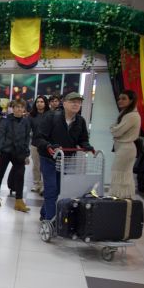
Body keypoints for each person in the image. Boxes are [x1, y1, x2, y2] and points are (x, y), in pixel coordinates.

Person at [35, 92, 93, 221]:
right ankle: (50, 220)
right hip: (48, 158)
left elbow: (83, 139)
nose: (76, 104)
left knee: (59, 189)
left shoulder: (80, 121)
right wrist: (49, 145)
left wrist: (86, 145)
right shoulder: (51, 117)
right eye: (73, 101)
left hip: (66, 160)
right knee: (51, 189)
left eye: (78, 102)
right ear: (64, 103)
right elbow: (38, 138)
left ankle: (44, 213)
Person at [0, 99, 32, 212]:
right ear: (13, 108)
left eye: (21, 107)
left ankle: (19, 201)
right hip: (5, 152)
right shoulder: (5, 121)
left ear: (24, 109)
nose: (19, 109)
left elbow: (26, 139)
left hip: (19, 153)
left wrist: (26, 154)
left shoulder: (26, 122)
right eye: (17, 106)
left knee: (20, 175)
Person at [109, 90, 141, 198]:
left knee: (119, 174)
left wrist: (114, 130)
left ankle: (119, 199)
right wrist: (115, 130)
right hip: (124, 148)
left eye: (124, 98)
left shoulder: (131, 115)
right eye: (119, 98)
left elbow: (116, 131)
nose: (120, 101)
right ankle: (123, 198)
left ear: (131, 100)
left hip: (126, 149)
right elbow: (115, 129)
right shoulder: (124, 113)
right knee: (123, 175)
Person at [29, 95, 50, 194]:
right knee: (36, 166)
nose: (39, 103)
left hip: (46, 145)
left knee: (44, 166)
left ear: (45, 103)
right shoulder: (32, 115)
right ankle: (37, 184)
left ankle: (44, 185)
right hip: (35, 144)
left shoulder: (50, 115)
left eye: (42, 102)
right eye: (37, 102)